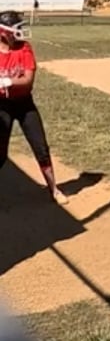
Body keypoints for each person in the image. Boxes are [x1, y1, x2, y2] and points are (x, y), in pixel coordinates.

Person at [0, 12, 64, 205]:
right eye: (16, 29)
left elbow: (27, 81)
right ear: (3, 32)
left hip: (24, 104)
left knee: (40, 147)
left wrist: (7, 81)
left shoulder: (25, 48)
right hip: (2, 105)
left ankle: (53, 189)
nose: (20, 32)